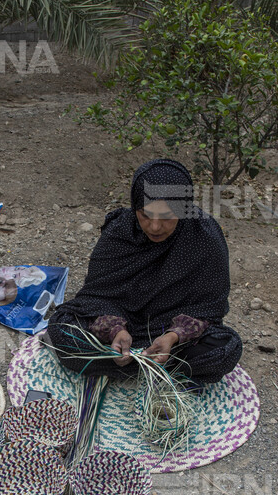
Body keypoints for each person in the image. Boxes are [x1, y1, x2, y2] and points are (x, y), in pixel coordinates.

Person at [46, 158, 242, 385]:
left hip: (173, 338)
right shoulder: (121, 232)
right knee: (63, 330)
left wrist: (172, 336)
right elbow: (95, 298)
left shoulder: (204, 236)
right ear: (135, 206)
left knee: (226, 348)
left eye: (167, 216)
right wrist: (115, 331)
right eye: (146, 215)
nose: (155, 227)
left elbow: (208, 309)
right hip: (120, 329)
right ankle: (158, 372)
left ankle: (137, 366)